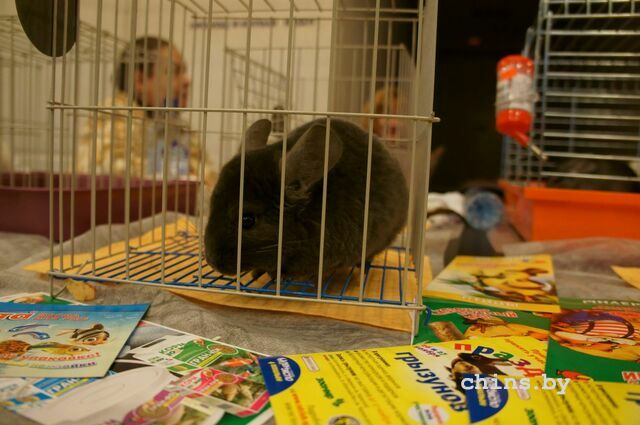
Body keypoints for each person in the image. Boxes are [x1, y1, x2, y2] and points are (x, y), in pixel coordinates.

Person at [78, 36, 214, 185]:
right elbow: (120, 182)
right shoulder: (114, 114)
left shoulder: (176, 123)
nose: (187, 80)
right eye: (175, 72)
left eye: (184, 71)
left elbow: (210, 182)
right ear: (140, 80)